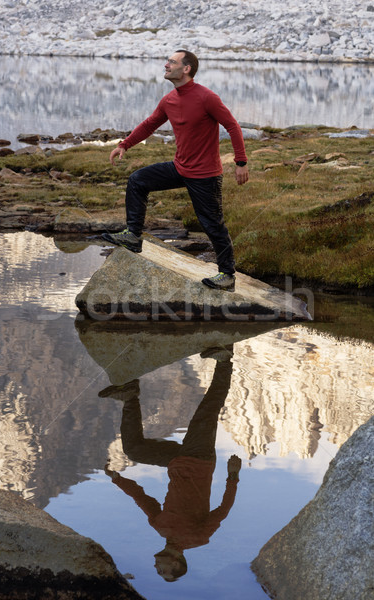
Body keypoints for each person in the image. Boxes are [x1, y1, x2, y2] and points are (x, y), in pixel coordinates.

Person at [103, 49, 249, 292]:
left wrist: (240, 162)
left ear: (186, 68)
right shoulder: (170, 100)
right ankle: (133, 236)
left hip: (205, 175)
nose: (166, 65)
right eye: (167, 61)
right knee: (138, 180)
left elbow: (232, 126)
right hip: (180, 167)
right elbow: (150, 124)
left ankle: (227, 274)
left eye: (171, 62)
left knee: (212, 224)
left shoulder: (206, 97)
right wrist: (124, 145)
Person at [103, 346, 242, 581]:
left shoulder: (159, 527)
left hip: (176, 462)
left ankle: (129, 395)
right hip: (199, 459)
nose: (156, 567)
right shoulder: (199, 537)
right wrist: (232, 476)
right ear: (176, 562)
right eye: (163, 571)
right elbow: (223, 510)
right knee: (208, 410)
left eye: (158, 571)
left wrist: (118, 480)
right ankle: (225, 360)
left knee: (134, 450)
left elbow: (142, 498)